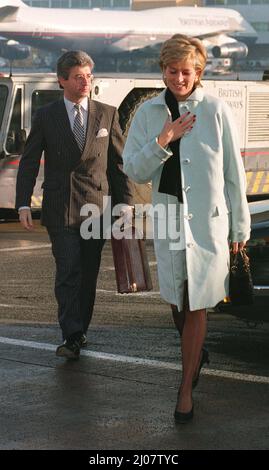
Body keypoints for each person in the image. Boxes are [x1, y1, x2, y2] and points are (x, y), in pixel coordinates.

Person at [123, 35, 250, 423]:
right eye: (173, 70)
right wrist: (165, 139)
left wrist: (239, 226)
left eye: (187, 71)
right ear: (163, 70)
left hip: (209, 222)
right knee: (178, 300)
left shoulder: (215, 109)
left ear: (199, 72)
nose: (180, 78)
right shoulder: (147, 114)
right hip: (168, 218)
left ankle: (184, 389)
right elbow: (133, 169)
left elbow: (233, 173)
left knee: (197, 301)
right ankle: (195, 357)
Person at [16, 50, 134, 360]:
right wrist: (23, 204)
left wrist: (126, 205)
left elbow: (118, 164)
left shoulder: (107, 113)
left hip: (97, 207)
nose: (85, 82)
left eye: (89, 76)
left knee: (88, 273)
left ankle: (80, 330)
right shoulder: (46, 115)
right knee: (68, 270)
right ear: (62, 80)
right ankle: (70, 334)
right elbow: (29, 163)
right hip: (60, 206)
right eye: (79, 77)